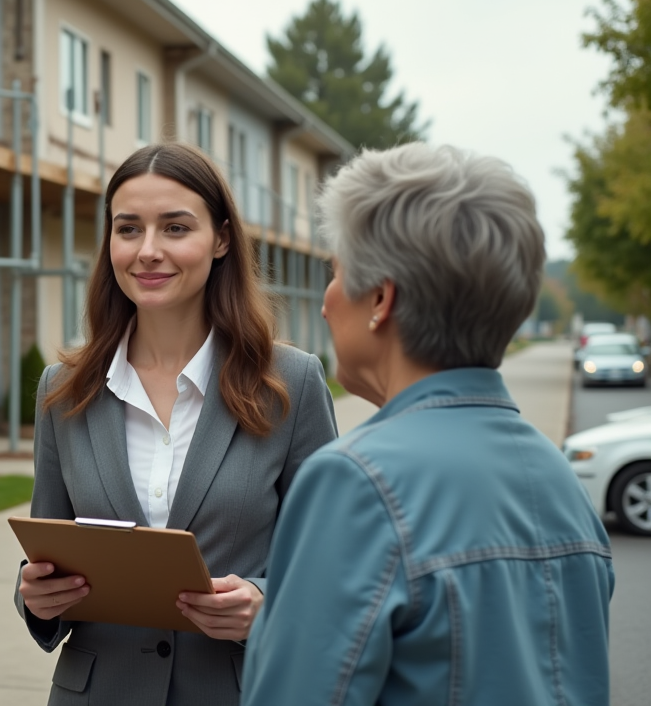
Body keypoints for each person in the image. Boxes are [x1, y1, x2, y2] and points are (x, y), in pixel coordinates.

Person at [241, 143, 614, 705]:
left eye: (335, 272)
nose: (324, 302)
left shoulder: (355, 483)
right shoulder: (559, 478)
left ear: (381, 299)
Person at [15, 143, 338, 705]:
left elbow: (335, 564)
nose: (148, 251)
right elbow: (49, 554)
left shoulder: (292, 383)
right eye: (128, 228)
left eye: (175, 228)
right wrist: (36, 597)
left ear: (221, 239)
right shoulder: (62, 391)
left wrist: (267, 604)